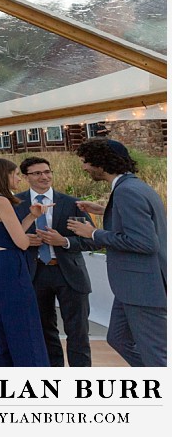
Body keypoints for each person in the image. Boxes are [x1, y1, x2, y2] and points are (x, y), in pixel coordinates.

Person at [67, 139, 167, 367]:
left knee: (155, 353)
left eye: (86, 162)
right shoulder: (134, 186)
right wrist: (105, 211)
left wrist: (93, 234)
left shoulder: (127, 192)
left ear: (102, 162)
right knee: (118, 338)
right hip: (132, 287)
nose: (84, 167)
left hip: (142, 287)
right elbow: (141, 223)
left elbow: (145, 242)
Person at [13, 157, 93, 367]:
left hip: (69, 273)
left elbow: (91, 240)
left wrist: (64, 241)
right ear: (25, 177)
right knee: (43, 331)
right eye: (37, 173)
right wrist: (25, 241)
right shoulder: (16, 203)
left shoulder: (71, 202)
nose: (44, 177)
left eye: (47, 172)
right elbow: (7, 238)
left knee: (78, 331)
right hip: (35, 272)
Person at [0, 157, 49, 367]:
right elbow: (21, 242)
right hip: (10, 265)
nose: (19, 179)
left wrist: (30, 216)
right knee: (24, 324)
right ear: (4, 175)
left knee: (3, 324)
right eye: (16, 174)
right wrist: (32, 238)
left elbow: (5, 233)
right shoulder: (1, 200)